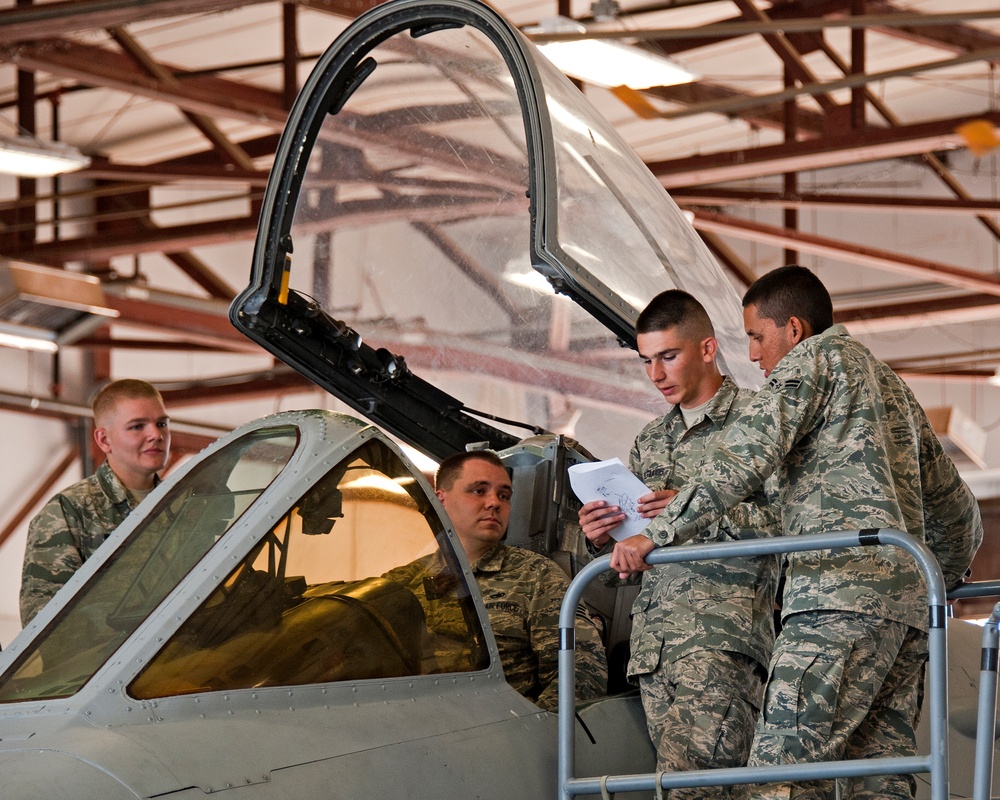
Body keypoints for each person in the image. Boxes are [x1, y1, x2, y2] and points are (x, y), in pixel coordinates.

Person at [611, 266, 982, 800]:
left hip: (835, 598)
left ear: (795, 329)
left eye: (758, 338)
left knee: (779, 774)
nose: (756, 356)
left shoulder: (812, 362)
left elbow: (740, 459)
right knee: (877, 778)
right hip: (904, 617)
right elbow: (958, 511)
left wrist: (656, 534)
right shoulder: (891, 386)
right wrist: (931, 584)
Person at [578, 290, 778, 796]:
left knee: (701, 792)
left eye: (669, 357)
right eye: (647, 361)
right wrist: (605, 537)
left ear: (708, 349)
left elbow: (790, 526)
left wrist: (693, 513)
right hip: (654, 647)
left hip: (721, 638)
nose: (656, 374)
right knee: (680, 790)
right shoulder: (651, 439)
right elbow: (636, 554)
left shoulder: (759, 421)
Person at [435, 449, 607, 710]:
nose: (494, 503)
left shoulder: (537, 576)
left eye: (504, 495)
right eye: (479, 491)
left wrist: (532, 730)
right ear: (440, 500)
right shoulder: (407, 581)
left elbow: (581, 673)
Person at [20, 379, 171, 625]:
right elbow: (45, 626)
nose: (156, 435)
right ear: (104, 440)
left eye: (161, 423)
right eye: (137, 426)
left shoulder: (187, 506)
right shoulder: (68, 512)